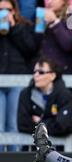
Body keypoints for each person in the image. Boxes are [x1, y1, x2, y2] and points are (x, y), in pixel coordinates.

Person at [17, 56, 72, 136]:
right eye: (34, 72)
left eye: (41, 72)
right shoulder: (26, 94)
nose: (36, 75)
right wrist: (50, 123)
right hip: (36, 146)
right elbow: (22, 125)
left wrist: (40, 122)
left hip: (63, 147)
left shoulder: (64, 95)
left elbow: (61, 126)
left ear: (52, 76)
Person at [0, 0, 37, 151]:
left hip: (17, 80)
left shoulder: (24, 26)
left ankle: (14, 160)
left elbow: (31, 49)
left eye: (7, 9)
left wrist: (13, 27)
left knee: (15, 124)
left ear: (14, 11)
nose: (4, 12)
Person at [35, 0, 72, 74]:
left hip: (65, 72)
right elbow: (35, 46)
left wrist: (55, 22)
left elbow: (70, 45)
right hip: (44, 72)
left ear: (63, 1)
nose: (49, 2)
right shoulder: (41, 15)